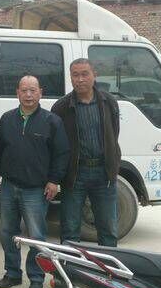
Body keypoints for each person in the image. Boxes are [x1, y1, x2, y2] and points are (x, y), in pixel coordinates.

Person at [0, 75, 70, 288]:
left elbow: (61, 153)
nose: (28, 95)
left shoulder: (52, 121)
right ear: (17, 93)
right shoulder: (7, 119)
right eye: (24, 90)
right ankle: (12, 273)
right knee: (7, 232)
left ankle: (36, 277)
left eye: (33, 90)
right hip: (9, 186)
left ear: (40, 93)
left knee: (36, 237)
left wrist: (54, 180)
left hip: (36, 190)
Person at [52, 58, 121, 247]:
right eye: (75, 75)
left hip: (104, 174)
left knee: (108, 229)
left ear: (94, 75)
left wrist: (113, 165)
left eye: (85, 74)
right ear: (70, 78)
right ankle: (69, 265)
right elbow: (57, 145)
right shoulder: (61, 107)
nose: (80, 79)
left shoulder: (109, 102)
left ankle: (107, 265)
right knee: (70, 229)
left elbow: (114, 134)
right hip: (75, 175)